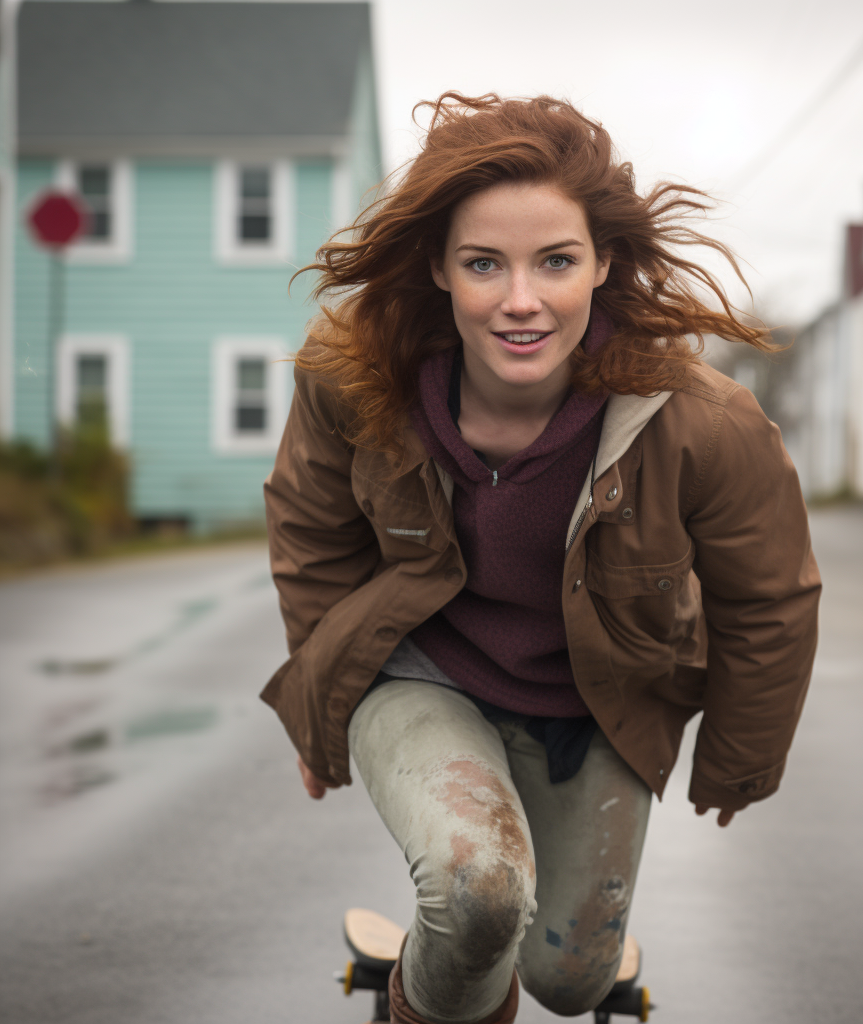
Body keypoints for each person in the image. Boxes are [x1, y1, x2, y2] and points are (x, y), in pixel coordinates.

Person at [262, 93, 821, 1024]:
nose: (521, 300)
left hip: (598, 704)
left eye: (555, 261)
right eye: (485, 263)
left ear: (603, 262)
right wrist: (321, 702)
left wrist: (740, 757)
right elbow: (312, 534)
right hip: (421, 674)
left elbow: (768, 598)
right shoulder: (352, 376)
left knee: (565, 979)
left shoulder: (699, 422)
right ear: (439, 267)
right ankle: (434, 978)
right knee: (480, 890)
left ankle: (502, 953)